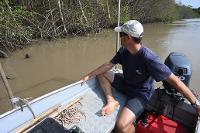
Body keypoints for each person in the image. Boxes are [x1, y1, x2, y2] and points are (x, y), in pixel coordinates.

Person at [80, 20, 200, 133]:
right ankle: (112, 101)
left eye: (121, 34)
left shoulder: (150, 58)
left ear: (128, 38)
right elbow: (108, 65)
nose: (119, 36)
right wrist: (88, 75)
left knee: (121, 126)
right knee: (101, 73)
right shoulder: (123, 50)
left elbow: (175, 81)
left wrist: (196, 105)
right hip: (126, 83)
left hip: (140, 94)